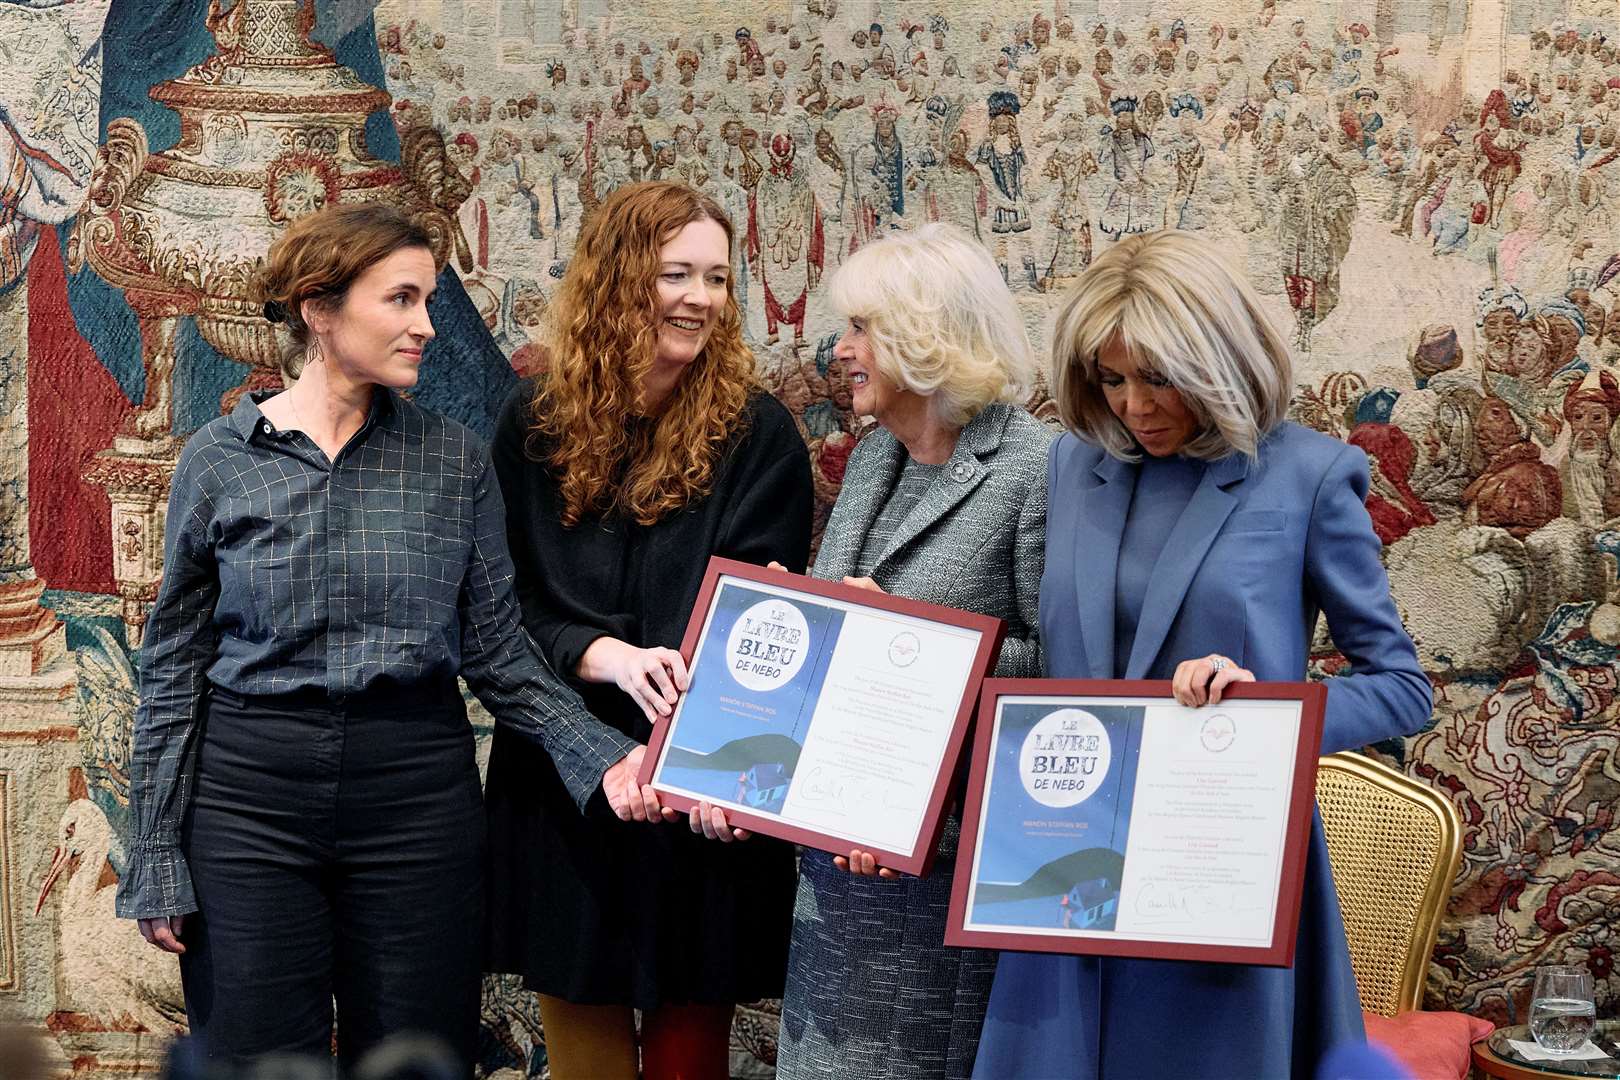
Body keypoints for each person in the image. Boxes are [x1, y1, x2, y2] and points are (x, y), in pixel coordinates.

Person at [117, 202, 668, 1072]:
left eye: (429, 301)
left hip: (415, 798)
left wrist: (605, 756)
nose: (425, 325)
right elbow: (172, 671)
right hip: (248, 800)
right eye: (402, 299)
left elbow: (498, 654)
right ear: (319, 309)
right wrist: (153, 855)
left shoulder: (453, 461)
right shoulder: (217, 461)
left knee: (417, 1059)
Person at [973, 229, 1432, 1079]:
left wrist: (1262, 711)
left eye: (1157, 376)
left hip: (1221, 864)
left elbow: (1403, 687)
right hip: (1065, 860)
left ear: (1219, 358)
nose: (1133, 406)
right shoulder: (1076, 464)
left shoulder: (1309, 475)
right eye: (1110, 379)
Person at [483, 181, 813, 1080]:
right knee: (582, 1037)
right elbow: (502, 610)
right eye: (676, 273)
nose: (699, 299)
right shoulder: (534, 421)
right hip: (567, 779)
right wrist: (605, 655)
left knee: (686, 1044)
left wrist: (702, 745)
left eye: (715, 278)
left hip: (696, 783)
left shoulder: (759, 431)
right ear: (621, 279)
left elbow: (762, 627)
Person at [775, 222, 1051, 1080]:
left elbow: (1059, 668)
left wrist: (902, 637)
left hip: (943, 864)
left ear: (926, 334)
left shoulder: (1037, 468)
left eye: (862, 328)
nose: (842, 348)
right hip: (837, 862)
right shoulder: (871, 458)